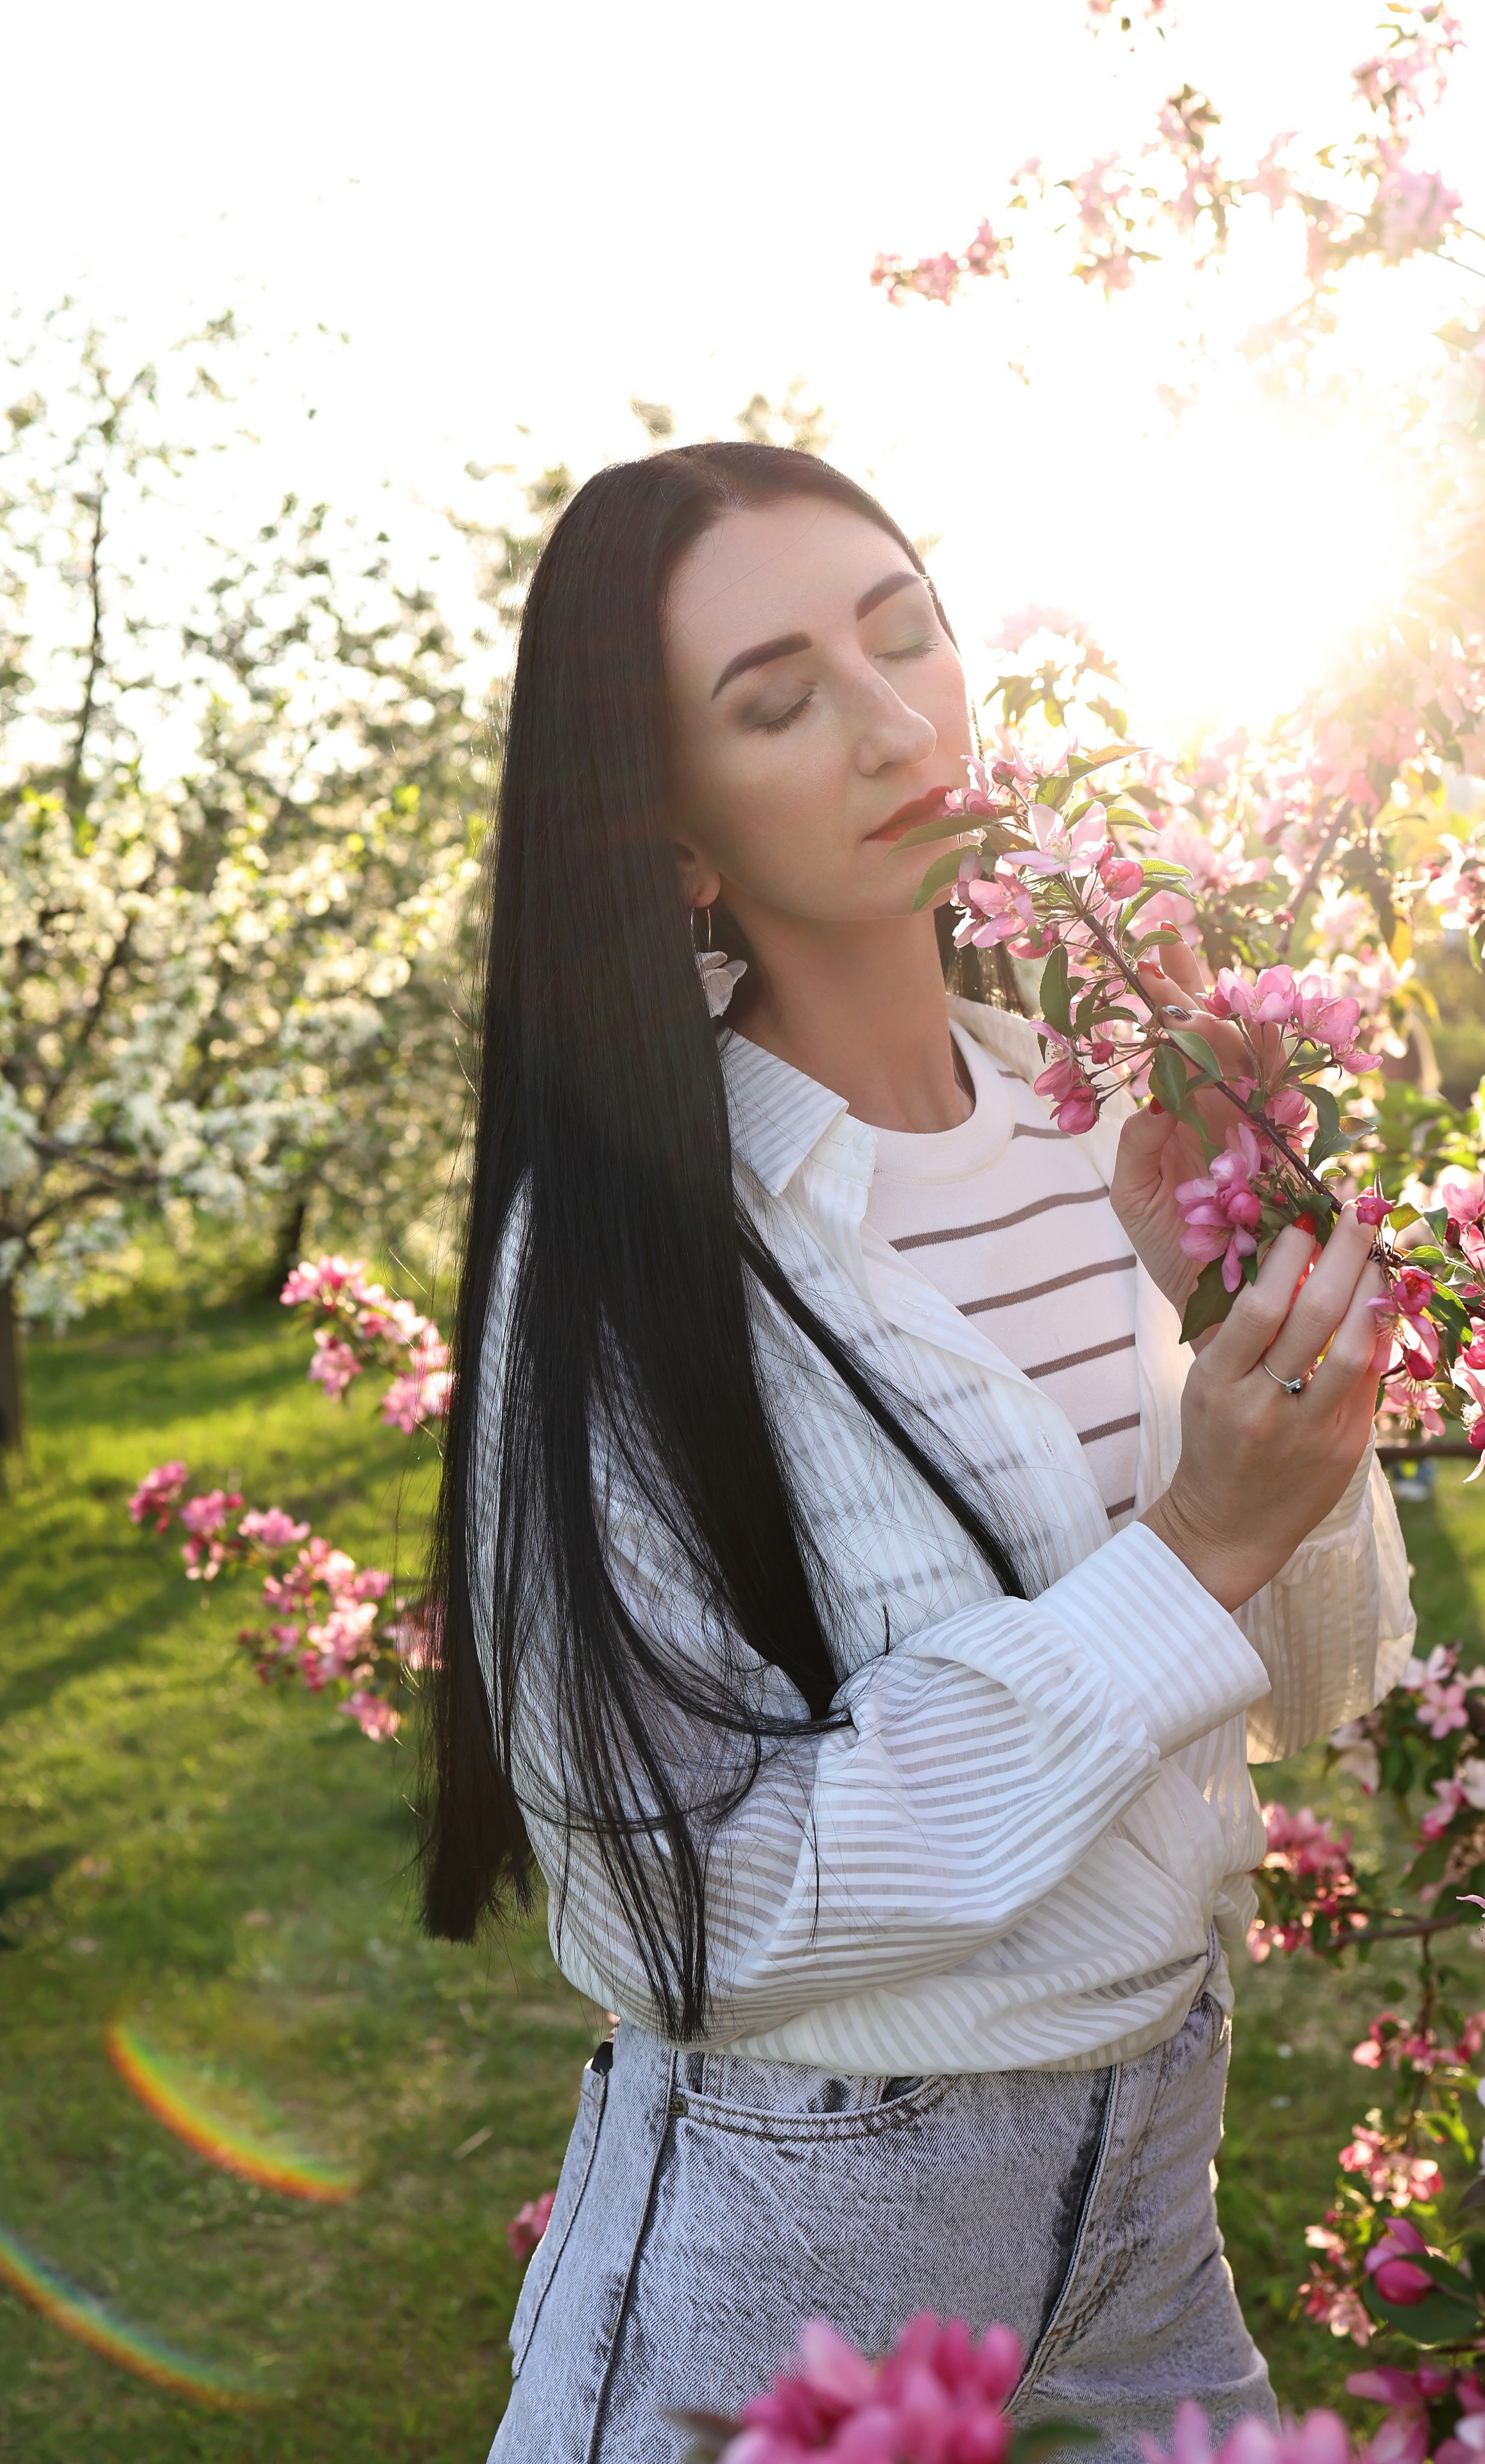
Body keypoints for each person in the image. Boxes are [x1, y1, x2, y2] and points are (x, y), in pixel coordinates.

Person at [421, 441, 1414, 2464]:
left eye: (909, 636)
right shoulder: (627, 1254)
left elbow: (1319, 1687)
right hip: (795, 2262)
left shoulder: (1116, 1128)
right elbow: (671, 1918)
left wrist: (1243, 1358)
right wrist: (1187, 1551)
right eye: (778, 700)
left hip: (1156, 2217)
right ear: (676, 834)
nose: (894, 724)